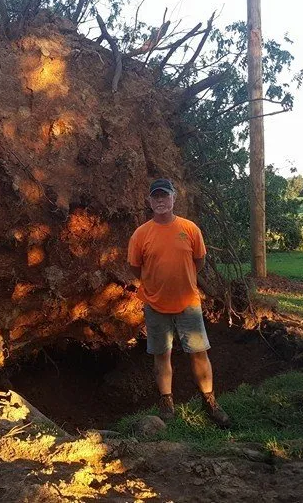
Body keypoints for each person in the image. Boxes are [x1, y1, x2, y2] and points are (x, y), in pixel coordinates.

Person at [127, 178, 230, 428]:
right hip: (155, 304)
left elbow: (199, 261)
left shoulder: (190, 229)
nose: (160, 201)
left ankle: (209, 402)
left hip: (188, 303)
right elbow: (135, 267)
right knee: (162, 354)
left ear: (174, 198)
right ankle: (167, 403)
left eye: (165, 196)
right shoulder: (141, 234)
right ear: (149, 201)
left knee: (199, 352)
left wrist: (182, 280)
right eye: (156, 197)